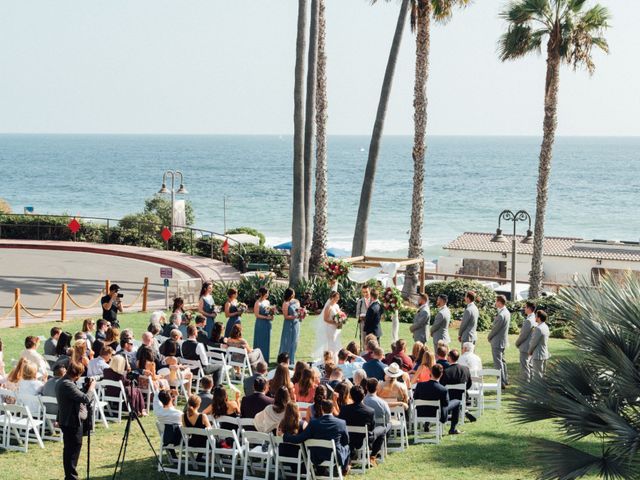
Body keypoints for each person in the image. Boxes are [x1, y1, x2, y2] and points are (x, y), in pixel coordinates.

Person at [283, 398, 350, 475]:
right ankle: (344, 469)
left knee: (320, 449)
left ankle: (322, 471)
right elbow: (346, 441)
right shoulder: (341, 423)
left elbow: (300, 438)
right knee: (347, 447)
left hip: (316, 456)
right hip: (334, 456)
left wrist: (286, 436)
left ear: (322, 409)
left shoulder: (313, 423)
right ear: (333, 409)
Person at [56, 362, 96, 480]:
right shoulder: (67, 384)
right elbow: (86, 399)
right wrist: (92, 388)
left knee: (70, 449)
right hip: (71, 422)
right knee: (72, 450)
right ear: (77, 374)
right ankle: (71, 477)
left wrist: (86, 388)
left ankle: (70, 476)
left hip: (67, 420)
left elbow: (77, 396)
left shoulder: (64, 381)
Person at [339, 385, 387, 465]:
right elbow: (372, 428)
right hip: (363, 439)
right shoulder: (370, 411)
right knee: (383, 429)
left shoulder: (344, 409)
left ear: (351, 396)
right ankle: (373, 456)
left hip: (348, 438)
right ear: (363, 395)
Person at [414, 364, 462, 435]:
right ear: (441, 374)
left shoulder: (420, 385)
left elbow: (415, 397)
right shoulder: (443, 389)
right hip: (437, 414)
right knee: (457, 402)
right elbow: (446, 404)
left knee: (432, 403)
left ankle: (427, 424)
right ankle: (452, 429)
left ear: (430, 373)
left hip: (421, 412)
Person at [488, 295, 510, 388]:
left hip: (497, 341)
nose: (495, 303)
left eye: (496, 301)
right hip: (503, 341)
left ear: (500, 302)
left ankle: (501, 383)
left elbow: (495, 329)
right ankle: (505, 380)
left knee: (498, 363)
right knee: (502, 361)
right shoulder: (506, 312)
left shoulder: (501, 315)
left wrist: (489, 337)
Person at [314, 291, 344, 360]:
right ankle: (331, 358)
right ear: (332, 298)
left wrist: (342, 318)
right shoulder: (328, 307)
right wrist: (334, 322)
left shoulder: (336, 306)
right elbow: (325, 319)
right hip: (330, 328)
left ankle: (336, 358)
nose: (338, 299)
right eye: (336, 297)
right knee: (332, 344)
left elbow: (339, 314)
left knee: (337, 343)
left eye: (338, 298)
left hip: (337, 328)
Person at [515, 301, 537, 383]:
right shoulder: (534, 318)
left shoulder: (529, 320)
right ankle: (530, 384)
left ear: (529, 309)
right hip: (530, 346)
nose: (524, 309)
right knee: (529, 365)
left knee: (524, 366)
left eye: (525, 307)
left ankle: (525, 385)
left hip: (525, 346)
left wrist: (517, 343)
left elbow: (523, 335)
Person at [279, 288, 302, 362]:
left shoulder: (297, 301)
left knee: (295, 341)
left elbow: (299, 311)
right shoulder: (286, 303)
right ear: (290, 294)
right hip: (288, 324)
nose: (294, 294)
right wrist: (295, 316)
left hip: (296, 324)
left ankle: (292, 358)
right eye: (293, 293)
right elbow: (285, 316)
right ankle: (284, 359)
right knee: (287, 341)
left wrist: (302, 314)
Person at [254, 287, 274, 364]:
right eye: (267, 293)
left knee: (266, 341)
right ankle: (258, 360)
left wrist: (271, 316)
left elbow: (269, 312)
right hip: (260, 323)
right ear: (263, 294)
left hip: (267, 324)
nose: (268, 294)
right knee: (259, 340)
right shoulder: (257, 303)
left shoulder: (267, 302)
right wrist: (266, 317)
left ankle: (265, 359)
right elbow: (257, 315)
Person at [529, 310, 551, 379]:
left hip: (538, 355)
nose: (535, 317)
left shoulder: (538, 328)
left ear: (539, 317)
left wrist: (530, 351)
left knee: (537, 376)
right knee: (542, 375)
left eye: (536, 316)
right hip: (544, 353)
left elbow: (533, 342)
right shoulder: (546, 326)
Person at [355, 285, 372, 351]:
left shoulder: (373, 300)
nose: (365, 294)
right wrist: (360, 317)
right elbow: (357, 314)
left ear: (369, 291)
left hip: (371, 324)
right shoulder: (360, 301)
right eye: (363, 292)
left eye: (366, 292)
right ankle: (364, 352)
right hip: (363, 324)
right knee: (363, 339)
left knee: (371, 339)